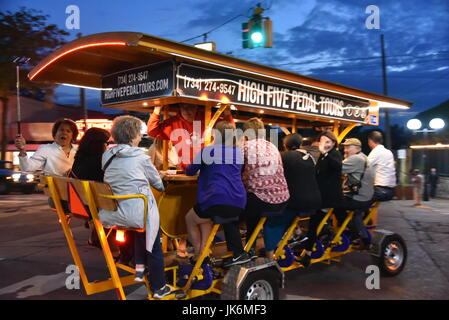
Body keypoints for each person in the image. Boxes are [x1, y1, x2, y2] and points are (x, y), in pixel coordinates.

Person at [99, 115, 172, 299]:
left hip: (113, 212)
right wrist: (161, 178)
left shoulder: (107, 155)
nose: (140, 137)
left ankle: (140, 270)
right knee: (154, 245)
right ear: (133, 135)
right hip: (137, 214)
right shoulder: (140, 156)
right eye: (139, 134)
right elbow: (158, 184)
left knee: (141, 231)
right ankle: (159, 288)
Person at [185, 121, 250, 268]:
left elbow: (189, 171)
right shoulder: (237, 153)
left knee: (190, 219)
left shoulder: (208, 151)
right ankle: (203, 255)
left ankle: (198, 254)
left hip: (216, 200)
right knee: (204, 219)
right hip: (239, 202)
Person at [265, 134, 321, 260]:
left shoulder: (282, 156)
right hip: (314, 201)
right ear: (301, 145)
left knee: (272, 222)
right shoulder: (310, 158)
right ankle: (297, 234)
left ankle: (269, 255)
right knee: (289, 216)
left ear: (285, 146)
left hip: (295, 201)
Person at [241, 118, 290, 260]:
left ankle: (243, 252)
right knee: (252, 213)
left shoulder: (245, 146)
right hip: (282, 199)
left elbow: (235, 170)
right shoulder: (272, 146)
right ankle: (250, 249)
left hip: (261, 200)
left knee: (232, 214)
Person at [299, 131, 342, 267]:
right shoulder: (323, 156)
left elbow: (337, 166)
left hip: (328, 198)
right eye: (322, 141)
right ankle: (307, 247)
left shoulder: (334, 154)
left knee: (314, 222)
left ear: (333, 142)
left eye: (327, 141)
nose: (324, 144)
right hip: (322, 195)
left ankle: (308, 252)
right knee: (313, 222)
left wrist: (324, 153)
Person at [147, 103, 234, 169]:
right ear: (180, 108)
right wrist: (157, 109)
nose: (186, 110)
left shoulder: (208, 117)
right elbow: (152, 131)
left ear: (196, 107)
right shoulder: (172, 123)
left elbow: (230, 131)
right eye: (183, 107)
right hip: (186, 170)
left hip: (208, 169)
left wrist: (227, 113)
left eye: (190, 107)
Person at [334, 138, 374, 250]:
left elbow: (335, 170)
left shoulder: (355, 159)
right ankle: (363, 238)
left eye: (348, 147)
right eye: (345, 147)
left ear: (357, 148)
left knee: (334, 204)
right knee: (355, 213)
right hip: (365, 197)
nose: (345, 149)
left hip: (358, 198)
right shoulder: (364, 157)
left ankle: (350, 231)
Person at [367, 131, 396, 202]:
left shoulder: (375, 152)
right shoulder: (388, 152)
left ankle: (358, 213)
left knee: (358, 198)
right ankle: (364, 212)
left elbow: (365, 167)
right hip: (391, 190)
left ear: (370, 141)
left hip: (380, 190)